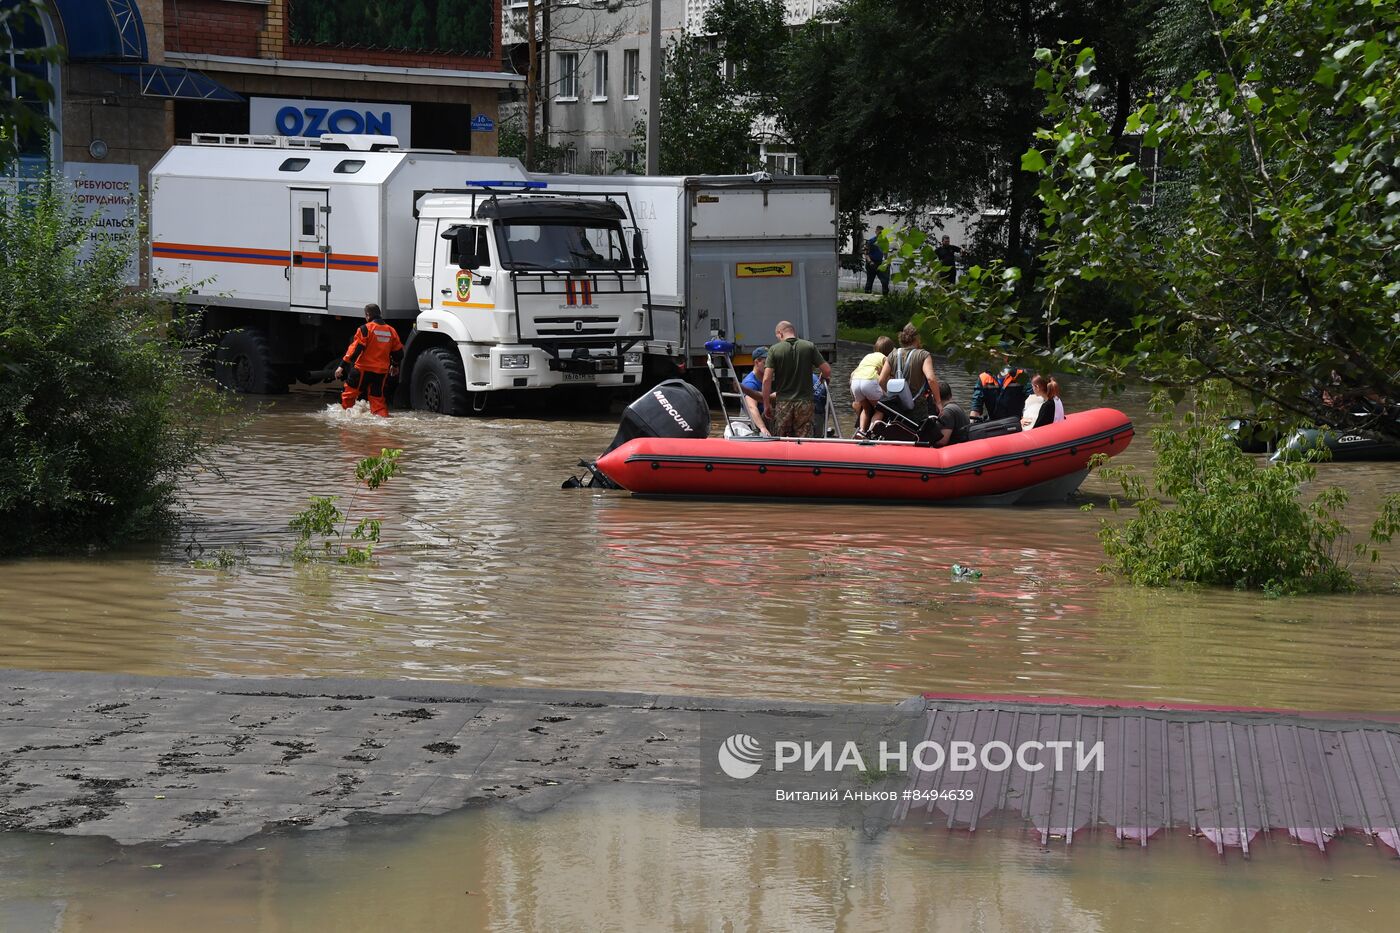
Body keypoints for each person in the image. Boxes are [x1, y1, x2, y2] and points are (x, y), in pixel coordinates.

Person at [761, 320, 831, 438]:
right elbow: (827, 370)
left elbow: (766, 379)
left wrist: (766, 404)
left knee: (781, 437)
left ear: (780, 333)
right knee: (803, 438)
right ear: (793, 331)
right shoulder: (809, 346)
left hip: (783, 402)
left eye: (777, 336)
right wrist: (823, 376)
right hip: (805, 402)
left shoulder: (774, 349)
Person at [335, 303, 404, 417]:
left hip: (362, 370)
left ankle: (345, 424)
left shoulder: (365, 329)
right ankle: (382, 424)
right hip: (380, 372)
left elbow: (355, 350)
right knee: (377, 401)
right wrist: (395, 365)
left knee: (348, 396)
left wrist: (342, 365)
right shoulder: (391, 331)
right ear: (380, 314)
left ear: (367, 315)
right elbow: (399, 353)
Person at [875, 324, 942, 426]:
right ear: (917, 338)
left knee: (899, 432)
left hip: (898, 406)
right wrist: (938, 402)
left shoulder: (892, 355)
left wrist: (891, 396)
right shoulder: (923, 355)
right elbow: (931, 379)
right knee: (917, 435)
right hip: (917, 407)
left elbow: (881, 381)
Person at [850, 335, 895, 437]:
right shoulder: (885, 358)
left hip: (856, 382)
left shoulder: (868, 356)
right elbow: (891, 375)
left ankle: (861, 430)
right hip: (869, 381)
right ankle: (870, 431)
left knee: (866, 409)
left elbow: (853, 373)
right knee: (880, 409)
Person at [738, 347, 772, 436]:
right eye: (766, 363)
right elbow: (752, 407)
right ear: (757, 362)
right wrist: (763, 428)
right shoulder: (750, 383)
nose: (769, 366)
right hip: (754, 422)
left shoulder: (766, 378)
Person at [926, 380, 970, 447]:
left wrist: (926, 443)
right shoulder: (955, 406)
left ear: (934, 398)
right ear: (950, 395)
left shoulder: (947, 412)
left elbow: (943, 441)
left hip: (956, 450)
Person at [864, 225, 890, 296]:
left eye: (882, 232)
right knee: (870, 281)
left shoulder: (885, 241)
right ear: (876, 232)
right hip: (871, 263)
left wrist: (886, 262)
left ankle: (885, 297)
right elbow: (866, 253)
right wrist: (870, 261)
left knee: (884, 281)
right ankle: (867, 297)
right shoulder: (871, 241)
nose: (880, 234)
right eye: (879, 232)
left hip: (880, 263)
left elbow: (885, 252)